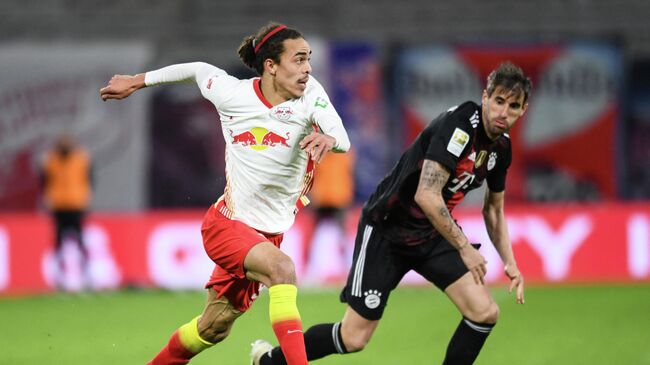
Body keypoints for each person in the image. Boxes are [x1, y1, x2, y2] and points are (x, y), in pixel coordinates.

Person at [100, 22, 350, 365]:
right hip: (226, 225)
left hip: (267, 236)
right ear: (271, 66)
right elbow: (196, 70)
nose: (307, 68)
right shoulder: (232, 93)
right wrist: (137, 80)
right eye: (299, 59)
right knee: (283, 270)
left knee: (212, 328)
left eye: (309, 60)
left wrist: (331, 139)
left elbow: (342, 137)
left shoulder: (311, 96)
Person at [252, 61, 529, 365]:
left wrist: (510, 262)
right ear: (485, 97)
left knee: (484, 313)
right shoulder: (460, 126)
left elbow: (493, 208)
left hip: (431, 234)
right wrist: (464, 247)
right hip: (387, 230)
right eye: (499, 101)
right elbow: (426, 194)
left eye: (513, 106)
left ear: (522, 110)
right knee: (353, 338)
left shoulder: (501, 149)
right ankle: (268, 361)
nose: (503, 112)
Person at [41, 133, 93, 291]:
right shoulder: (51, 161)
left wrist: (85, 197)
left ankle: (86, 277)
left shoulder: (81, 159)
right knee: (58, 242)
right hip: (58, 205)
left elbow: (89, 179)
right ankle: (58, 278)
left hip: (76, 205)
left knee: (80, 241)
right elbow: (45, 182)